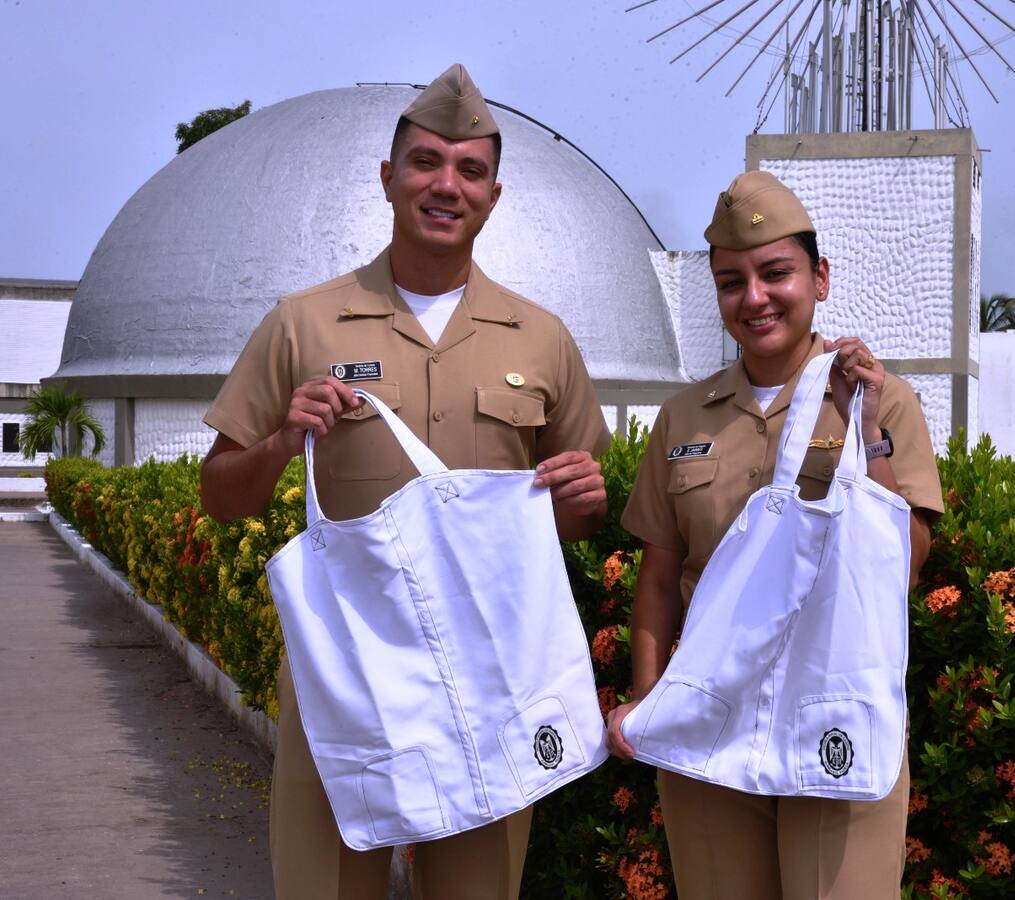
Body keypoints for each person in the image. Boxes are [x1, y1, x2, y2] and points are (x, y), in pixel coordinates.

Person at [200, 64, 610, 900]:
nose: (445, 185)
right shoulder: (303, 322)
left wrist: (582, 503)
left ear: (495, 194)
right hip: (343, 673)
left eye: (469, 170)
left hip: (493, 677)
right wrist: (281, 440)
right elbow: (220, 494)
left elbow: (576, 511)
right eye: (425, 163)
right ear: (388, 179)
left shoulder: (543, 338)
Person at [605, 170, 943, 899]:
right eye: (731, 282)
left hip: (835, 709)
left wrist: (871, 429)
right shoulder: (684, 418)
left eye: (775, 273)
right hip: (709, 717)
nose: (753, 298)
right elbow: (660, 579)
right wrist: (647, 700)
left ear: (819, 278)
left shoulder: (879, 401)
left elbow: (902, 571)